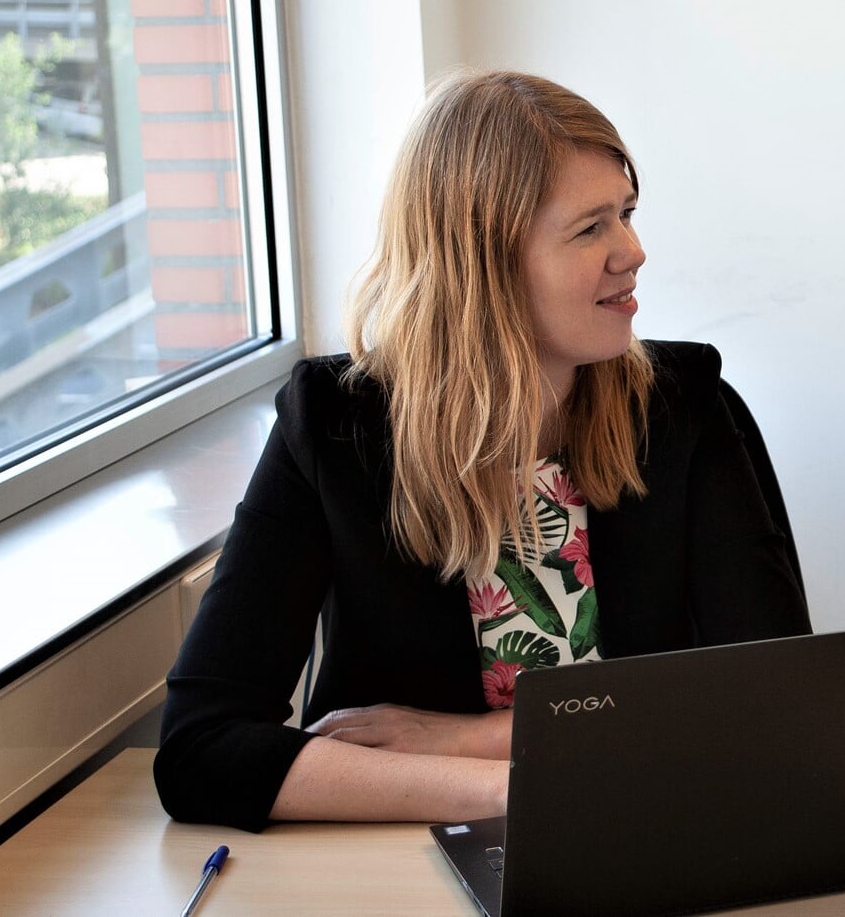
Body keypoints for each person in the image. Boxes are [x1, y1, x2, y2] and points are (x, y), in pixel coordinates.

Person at [156, 70, 810, 831]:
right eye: (590, 227)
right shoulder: (337, 428)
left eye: (626, 215)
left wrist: (462, 740)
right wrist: (511, 790)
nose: (632, 251)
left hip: (652, 839)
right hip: (409, 868)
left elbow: (772, 701)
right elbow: (202, 751)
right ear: (484, 260)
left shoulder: (683, 406)